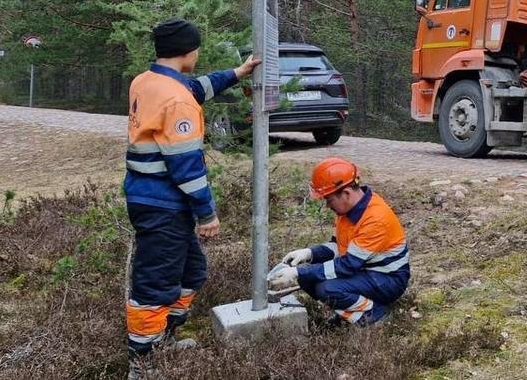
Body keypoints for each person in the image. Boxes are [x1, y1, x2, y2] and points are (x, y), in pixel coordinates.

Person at [125, 19, 259, 374]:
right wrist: (207, 213)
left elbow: (195, 88)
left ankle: (164, 336)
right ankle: (142, 363)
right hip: (163, 204)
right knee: (155, 282)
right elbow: (185, 166)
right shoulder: (176, 99)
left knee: (191, 270)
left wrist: (237, 73)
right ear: (189, 51)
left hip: (151, 199)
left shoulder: (147, 81)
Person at [269, 157, 410, 325]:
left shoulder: (375, 219)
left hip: (387, 279)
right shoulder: (347, 211)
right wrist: (309, 254)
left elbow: (348, 265)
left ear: (346, 194)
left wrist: (299, 272)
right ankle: (352, 311)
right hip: (367, 271)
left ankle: (375, 313)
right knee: (308, 278)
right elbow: (338, 246)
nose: (328, 205)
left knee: (327, 288)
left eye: (329, 199)